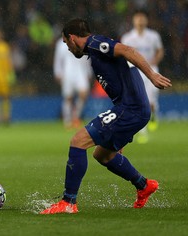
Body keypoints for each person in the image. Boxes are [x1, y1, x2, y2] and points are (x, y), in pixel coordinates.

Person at [40, 19, 172, 214]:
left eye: (66, 43)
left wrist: (152, 75)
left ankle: (68, 202)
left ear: (73, 38)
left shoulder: (96, 44)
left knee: (78, 141)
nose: (67, 48)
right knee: (103, 155)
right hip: (130, 109)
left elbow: (129, 51)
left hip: (131, 109)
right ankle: (144, 186)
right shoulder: (94, 52)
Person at [121, 10, 164, 143]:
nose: (140, 20)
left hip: (151, 71)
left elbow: (160, 50)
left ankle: (154, 115)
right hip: (135, 71)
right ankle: (143, 131)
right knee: (140, 101)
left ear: (146, 20)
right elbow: (123, 54)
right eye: (137, 18)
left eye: (142, 18)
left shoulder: (153, 36)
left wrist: (155, 61)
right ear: (133, 21)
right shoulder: (127, 38)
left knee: (151, 102)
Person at [53, 37, 92, 129]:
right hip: (67, 72)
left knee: (83, 94)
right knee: (68, 97)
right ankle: (67, 120)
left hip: (81, 71)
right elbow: (58, 59)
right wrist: (58, 72)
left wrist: (89, 72)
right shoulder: (61, 43)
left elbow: (87, 57)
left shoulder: (83, 41)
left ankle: (76, 116)